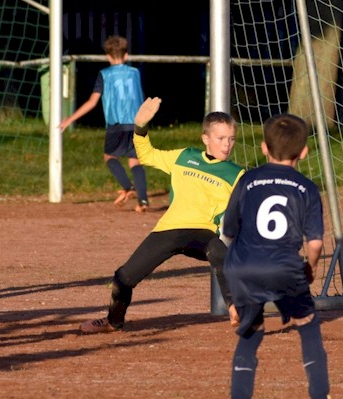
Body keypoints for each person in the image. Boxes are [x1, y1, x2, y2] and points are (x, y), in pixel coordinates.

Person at [219, 113, 343, 399]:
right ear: (304, 152)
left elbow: (228, 230)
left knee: (250, 332)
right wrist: (310, 268)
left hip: (242, 267)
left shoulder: (247, 179)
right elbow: (314, 243)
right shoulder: (305, 187)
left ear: (264, 147)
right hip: (283, 268)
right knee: (308, 327)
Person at [79, 97, 244, 334]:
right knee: (123, 277)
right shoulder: (184, 156)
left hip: (201, 232)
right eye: (220, 139)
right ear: (205, 139)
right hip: (168, 229)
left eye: (231, 139)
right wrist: (140, 127)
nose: (227, 145)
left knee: (219, 251)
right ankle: (113, 322)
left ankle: (236, 307)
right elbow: (147, 155)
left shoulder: (237, 173)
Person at [58, 35, 149, 212]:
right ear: (126, 55)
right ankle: (143, 201)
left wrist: (69, 119)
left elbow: (92, 102)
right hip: (138, 123)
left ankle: (127, 187)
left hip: (116, 123)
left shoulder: (105, 75)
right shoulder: (135, 73)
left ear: (108, 56)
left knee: (109, 157)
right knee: (136, 161)